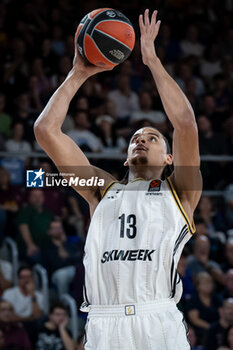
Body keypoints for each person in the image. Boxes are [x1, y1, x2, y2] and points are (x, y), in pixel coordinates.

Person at [34, 9, 202, 350]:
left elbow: (185, 123)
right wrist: (78, 73)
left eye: (152, 137)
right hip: (103, 324)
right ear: (125, 157)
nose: (141, 139)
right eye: (135, 138)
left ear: (169, 159)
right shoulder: (102, 190)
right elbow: (45, 131)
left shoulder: (181, 191)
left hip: (157, 320)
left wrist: (152, 61)